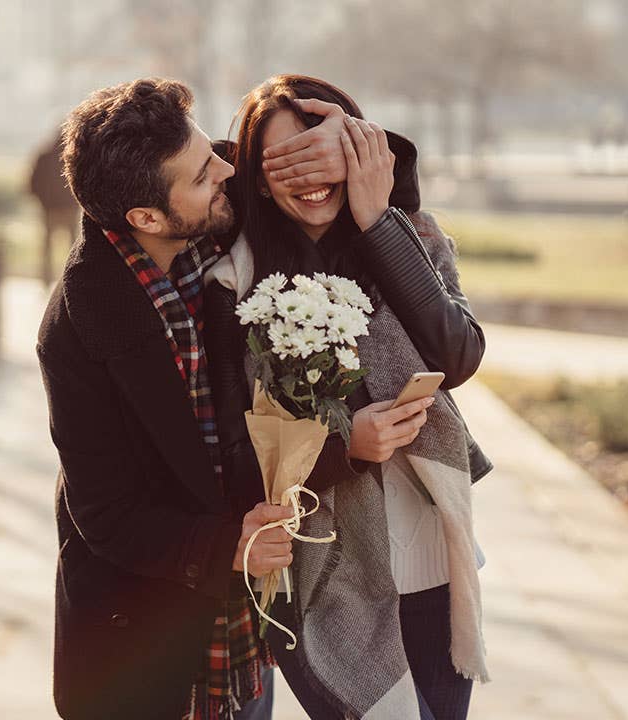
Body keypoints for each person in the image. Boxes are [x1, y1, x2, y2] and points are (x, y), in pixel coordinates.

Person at [38, 77, 349, 720]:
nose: (226, 171)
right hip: (141, 651)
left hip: (240, 631)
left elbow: (302, 176)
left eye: (213, 153)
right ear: (146, 217)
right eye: (204, 174)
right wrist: (228, 547)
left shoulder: (200, 230)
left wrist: (353, 140)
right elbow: (106, 514)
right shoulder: (79, 326)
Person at [204, 75, 492, 720]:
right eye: (284, 161)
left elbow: (459, 355)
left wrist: (376, 217)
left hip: (431, 559)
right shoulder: (235, 279)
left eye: (325, 153)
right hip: (324, 572)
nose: (311, 176)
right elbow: (229, 451)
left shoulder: (409, 237)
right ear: (255, 175)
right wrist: (344, 448)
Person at [28, 134, 81, 286]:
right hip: (68, 210)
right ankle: (72, 280)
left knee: (47, 248)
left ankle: (46, 280)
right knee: (74, 248)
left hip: (49, 210)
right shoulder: (72, 156)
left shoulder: (43, 156)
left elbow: (32, 183)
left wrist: (43, 201)